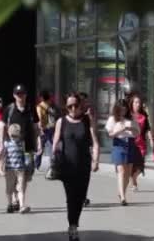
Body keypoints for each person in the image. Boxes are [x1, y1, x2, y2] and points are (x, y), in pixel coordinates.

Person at [52, 93, 100, 241]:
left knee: (80, 197)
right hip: (67, 165)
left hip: (84, 166)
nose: (73, 108)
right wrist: (54, 161)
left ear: (81, 105)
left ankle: (73, 223)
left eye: (75, 105)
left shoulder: (87, 120)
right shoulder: (61, 122)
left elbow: (95, 142)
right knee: (71, 197)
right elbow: (55, 143)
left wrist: (96, 161)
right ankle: (73, 226)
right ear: (66, 107)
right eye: (69, 106)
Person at [3, 84, 41, 211]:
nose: (21, 96)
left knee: (25, 175)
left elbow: (36, 127)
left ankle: (19, 199)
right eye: (18, 94)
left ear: (26, 95)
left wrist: (38, 142)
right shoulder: (9, 109)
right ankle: (15, 199)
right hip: (13, 147)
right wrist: (2, 144)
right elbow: (3, 127)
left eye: (22, 94)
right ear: (14, 95)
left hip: (27, 148)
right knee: (14, 173)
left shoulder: (31, 108)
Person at [106, 98, 140, 206]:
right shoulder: (112, 119)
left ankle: (122, 193)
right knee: (121, 171)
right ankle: (123, 198)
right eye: (121, 109)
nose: (123, 111)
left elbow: (137, 133)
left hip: (130, 144)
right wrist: (121, 130)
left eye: (125, 109)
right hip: (119, 144)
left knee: (128, 172)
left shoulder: (131, 119)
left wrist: (131, 129)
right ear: (117, 109)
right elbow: (110, 134)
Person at [127, 93, 153, 191]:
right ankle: (133, 181)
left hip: (141, 143)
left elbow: (147, 128)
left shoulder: (143, 116)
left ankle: (133, 177)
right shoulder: (128, 115)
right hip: (131, 142)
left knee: (141, 164)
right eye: (136, 102)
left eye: (139, 102)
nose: (138, 104)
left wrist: (151, 139)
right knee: (131, 163)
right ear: (132, 104)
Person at [3, 124, 31, 214]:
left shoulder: (16, 143)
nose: (14, 137)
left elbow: (25, 155)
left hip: (15, 169)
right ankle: (15, 205)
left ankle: (16, 205)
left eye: (15, 135)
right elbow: (4, 155)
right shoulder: (11, 143)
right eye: (13, 135)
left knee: (15, 188)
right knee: (14, 188)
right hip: (14, 169)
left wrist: (27, 165)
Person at [35, 90, 61, 170]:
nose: (51, 99)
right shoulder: (42, 107)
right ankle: (38, 164)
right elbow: (39, 119)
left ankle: (50, 164)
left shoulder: (50, 106)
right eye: (50, 97)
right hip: (45, 129)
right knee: (43, 147)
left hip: (49, 129)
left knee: (50, 146)